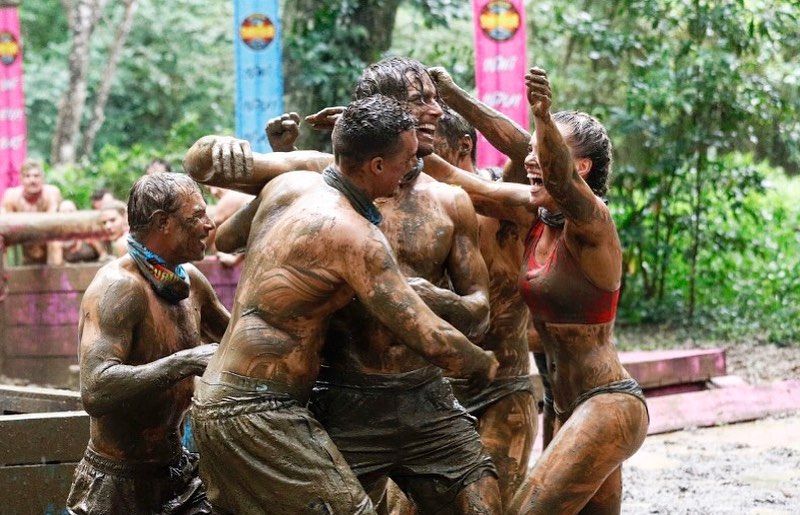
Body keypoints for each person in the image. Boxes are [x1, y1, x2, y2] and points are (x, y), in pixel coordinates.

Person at [184, 95, 498, 514]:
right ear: (377, 166)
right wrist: (483, 364)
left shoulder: (288, 185)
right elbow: (431, 337)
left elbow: (227, 238)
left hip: (224, 398)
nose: (416, 165)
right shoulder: (356, 236)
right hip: (258, 410)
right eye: (408, 158)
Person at [422, 67, 649, 514]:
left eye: (543, 150)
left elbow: (561, 180)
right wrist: (422, 114)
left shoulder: (593, 223)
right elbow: (455, 177)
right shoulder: (533, 213)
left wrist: (543, 117)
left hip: (608, 404)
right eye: (532, 149)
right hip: (566, 407)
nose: (529, 158)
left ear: (580, 167)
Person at [66, 173, 229, 514]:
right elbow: (94, 389)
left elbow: (236, 341)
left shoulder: (190, 281)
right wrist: (184, 362)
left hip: (177, 472)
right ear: (163, 223)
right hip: (117, 482)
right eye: (197, 216)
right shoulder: (118, 287)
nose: (209, 225)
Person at [428, 106, 538, 507]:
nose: (416, 149)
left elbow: (526, 147)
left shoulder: (502, 198)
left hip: (502, 391)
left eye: (428, 140)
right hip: (432, 395)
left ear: (463, 145)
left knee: (484, 507)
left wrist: (451, 93)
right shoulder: (413, 204)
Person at [0, 159, 63, 265]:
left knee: (55, 241)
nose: (32, 180)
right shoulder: (11, 196)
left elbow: (52, 223)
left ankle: (56, 274)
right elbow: (5, 225)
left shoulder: (51, 193)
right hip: (20, 238)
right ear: (21, 179)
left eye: (36, 176)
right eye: (27, 176)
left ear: (42, 178)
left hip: (47, 237)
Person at [207, 186, 252, 267]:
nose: (214, 192)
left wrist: (235, 260)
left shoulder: (230, 197)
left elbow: (214, 226)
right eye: (210, 189)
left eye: (216, 186)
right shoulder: (244, 193)